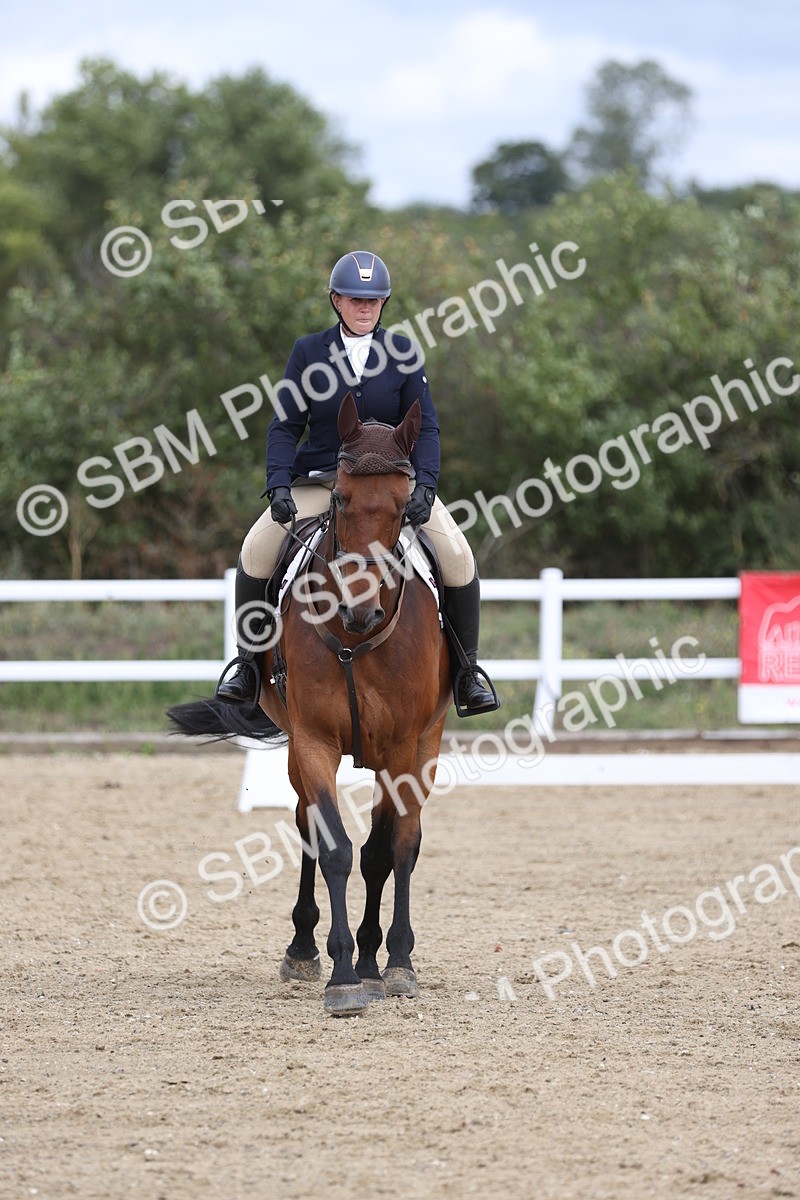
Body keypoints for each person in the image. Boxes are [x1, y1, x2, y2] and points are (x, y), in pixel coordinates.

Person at [216, 249, 499, 715]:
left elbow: (425, 426)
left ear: (384, 303)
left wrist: (425, 485)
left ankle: (468, 673)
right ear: (336, 301)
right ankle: (248, 666)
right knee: (255, 552)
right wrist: (279, 485)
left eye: (374, 300)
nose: (365, 307)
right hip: (323, 480)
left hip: (391, 486)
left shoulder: (404, 352)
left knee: (458, 557)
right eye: (355, 299)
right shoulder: (308, 352)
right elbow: (286, 425)